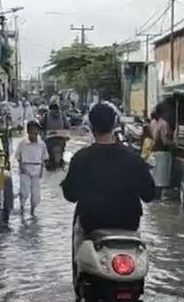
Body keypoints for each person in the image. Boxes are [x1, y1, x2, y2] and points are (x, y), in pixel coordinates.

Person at [61, 103, 155, 276]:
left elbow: (70, 194)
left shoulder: (81, 158)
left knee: (79, 262)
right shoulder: (133, 159)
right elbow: (149, 195)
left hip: (91, 225)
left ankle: (79, 283)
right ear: (114, 125)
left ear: (91, 126)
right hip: (128, 226)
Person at [15, 121, 49, 216]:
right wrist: (21, 168)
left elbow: (43, 158)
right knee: (24, 192)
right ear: (28, 131)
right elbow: (18, 157)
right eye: (33, 131)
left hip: (37, 169)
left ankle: (32, 211)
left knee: (36, 196)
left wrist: (42, 170)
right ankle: (22, 207)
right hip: (25, 169)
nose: (35, 134)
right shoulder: (22, 143)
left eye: (36, 132)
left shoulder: (42, 144)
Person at [150, 103, 174, 196]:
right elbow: (165, 141)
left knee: (155, 180)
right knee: (161, 182)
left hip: (154, 153)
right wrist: (173, 144)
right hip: (162, 153)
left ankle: (155, 202)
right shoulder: (164, 124)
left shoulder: (153, 123)